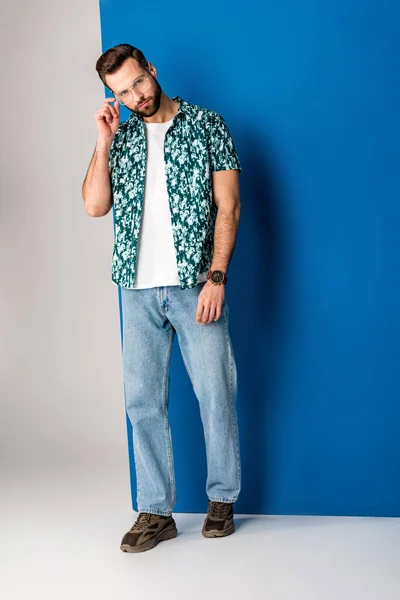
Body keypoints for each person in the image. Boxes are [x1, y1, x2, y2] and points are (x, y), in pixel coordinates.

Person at [82, 43, 242, 553]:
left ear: (152, 70)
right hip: (136, 286)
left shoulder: (207, 125)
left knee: (215, 391)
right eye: (122, 93)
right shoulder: (122, 137)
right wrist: (104, 143)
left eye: (138, 83)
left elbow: (229, 205)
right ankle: (156, 511)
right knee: (142, 401)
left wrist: (216, 276)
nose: (134, 97)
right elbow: (93, 206)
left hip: (195, 283)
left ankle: (222, 499)